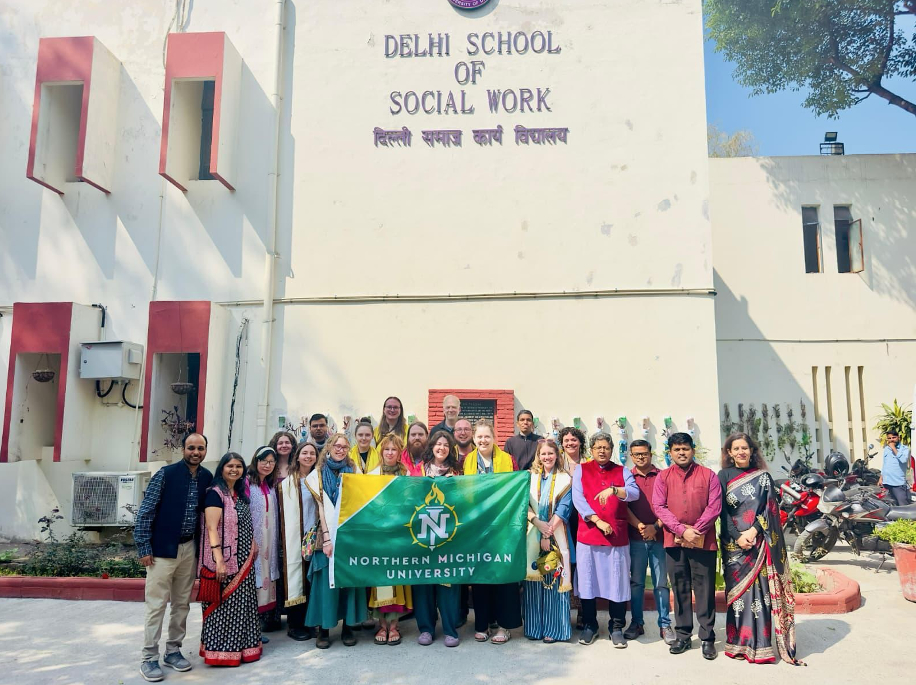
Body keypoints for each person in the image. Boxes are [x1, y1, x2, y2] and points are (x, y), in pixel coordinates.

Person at [135, 432, 213, 682]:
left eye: (200, 448)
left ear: (205, 451)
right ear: (183, 449)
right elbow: (145, 512)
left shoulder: (206, 478)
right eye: (191, 447)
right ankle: (149, 657)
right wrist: (144, 547)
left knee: (181, 604)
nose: (195, 452)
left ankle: (173, 651)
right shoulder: (165, 475)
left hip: (189, 548)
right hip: (161, 551)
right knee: (156, 605)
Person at [719, 433, 802, 665]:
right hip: (733, 547)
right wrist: (737, 537)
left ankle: (762, 646)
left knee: (761, 595)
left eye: (744, 448)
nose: (741, 452)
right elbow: (722, 512)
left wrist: (753, 531)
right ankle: (738, 643)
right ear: (730, 453)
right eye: (736, 449)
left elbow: (770, 510)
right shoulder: (723, 475)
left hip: (758, 542)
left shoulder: (763, 477)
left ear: (751, 450)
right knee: (737, 596)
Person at [653, 432, 722, 660]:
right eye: (676, 449)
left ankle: (707, 637)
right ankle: (683, 635)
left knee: (704, 589)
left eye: (685, 448)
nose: (681, 452)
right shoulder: (663, 477)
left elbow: (714, 507)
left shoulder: (709, 476)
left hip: (703, 542)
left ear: (693, 450)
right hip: (674, 541)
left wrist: (696, 530)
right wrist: (682, 530)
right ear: (670, 452)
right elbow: (659, 506)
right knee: (679, 588)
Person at [572, 432, 639, 647]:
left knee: (617, 581)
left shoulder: (622, 470)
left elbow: (634, 493)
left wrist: (614, 490)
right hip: (589, 535)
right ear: (591, 450)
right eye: (598, 447)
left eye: (606, 447)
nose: (602, 451)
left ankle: (616, 626)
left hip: (616, 538)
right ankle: (590, 625)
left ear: (611, 450)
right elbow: (578, 499)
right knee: (588, 581)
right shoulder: (581, 470)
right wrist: (597, 521)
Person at [304, 433, 368, 648]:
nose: (340, 450)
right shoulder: (318, 474)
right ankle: (324, 628)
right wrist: (327, 538)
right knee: (325, 583)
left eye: (344, 447)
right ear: (329, 447)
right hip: (327, 533)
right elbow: (322, 507)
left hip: (350, 534)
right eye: (337, 446)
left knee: (348, 580)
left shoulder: (355, 471)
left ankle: (348, 627)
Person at [198, 453, 262, 666]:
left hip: (245, 558)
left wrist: (253, 543)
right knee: (223, 604)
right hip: (224, 558)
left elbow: (244, 523)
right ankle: (220, 652)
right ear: (222, 468)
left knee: (243, 604)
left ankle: (244, 648)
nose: (234, 469)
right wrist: (219, 561)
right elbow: (211, 528)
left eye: (239, 466)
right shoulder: (215, 494)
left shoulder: (239, 493)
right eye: (230, 466)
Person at [464, 419, 521, 644]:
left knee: (504, 575)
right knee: (481, 576)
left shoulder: (508, 460)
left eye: (487, 436)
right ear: (474, 439)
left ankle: (504, 626)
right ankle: (482, 623)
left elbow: (517, 489)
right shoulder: (467, 461)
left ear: (495, 438)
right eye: (479, 437)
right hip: (477, 528)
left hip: (503, 526)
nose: (483, 440)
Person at [412, 430, 463, 647]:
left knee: (448, 584)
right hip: (422, 535)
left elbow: (466, 502)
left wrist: (455, 487)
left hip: (448, 536)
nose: (441, 447)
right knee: (423, 583)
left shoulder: (457, 472)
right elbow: (408, 496)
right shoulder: (418, 470)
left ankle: (450, 629)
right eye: (438, 444)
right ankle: (426, 628)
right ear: (431, 446)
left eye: (445, 445)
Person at [624, 439, 675, 645]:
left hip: (659, 537)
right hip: (636, 538)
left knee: (661, 583)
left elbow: (671, 505)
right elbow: (623, 507)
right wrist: (640, 527)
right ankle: (637, 623)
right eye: (636, 454)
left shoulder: (663, 475)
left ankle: (664, 624)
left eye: (644, 453)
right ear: (631, 456)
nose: (640, 457)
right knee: (635, 583)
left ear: (651, 454)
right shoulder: (627, 476)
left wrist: (656, 526)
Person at [523, 439, 573, 643]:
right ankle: (534, 628)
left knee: (553, 579)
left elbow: (565, 507)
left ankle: (554, 629)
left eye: (550, 454)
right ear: (538, 456)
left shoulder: (565, 479)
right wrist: (536, 521)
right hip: (532, 533)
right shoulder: (529, 477)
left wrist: (547, 532)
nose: (547, 457)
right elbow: (522, 504)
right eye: (543, 454)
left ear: (557, 455)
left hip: (556, 534)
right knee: (534, 580)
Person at [366, 433, 413, 645]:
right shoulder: (372, 475)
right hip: (378, 534)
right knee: (381, 579)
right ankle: (381, 624)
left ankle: (394, 625)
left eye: (394, 449)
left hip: (400, 533)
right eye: (386, 449)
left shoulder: (406, 474)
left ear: (399, 452)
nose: (390, 453)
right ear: (381, 452)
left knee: (397, 578)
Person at [277, 441, 319, 641]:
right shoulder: (287, 483)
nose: (308, 456)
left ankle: (310, 622)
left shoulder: (317, 479)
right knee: (296, 579)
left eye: (312, 453)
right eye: (305, 453)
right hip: (296, 537)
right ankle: (295, 625)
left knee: (311, 581)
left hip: (314, 536)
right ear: (298, 456)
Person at [246, 446, 281, 637]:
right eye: (263, 461)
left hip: (269, 542)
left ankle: (255, 631)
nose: (267, 465)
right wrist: (249, 539)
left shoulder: (269, 484)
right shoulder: (246, 483)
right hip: (253, 541)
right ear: (256, 461)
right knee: (252, 582)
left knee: (264, 582)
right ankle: (249, 631)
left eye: (271, 462)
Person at [558, 425, 589, 629]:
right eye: (566, 440)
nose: (570, 443)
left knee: (582, 566)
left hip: (583, 520)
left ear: (580, 443)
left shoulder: (588, 464)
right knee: (564, 563)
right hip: (561, 520)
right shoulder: (557, 463)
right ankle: (562, 612)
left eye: (574, 440)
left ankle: (582, 612)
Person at [881, 429, 912, 506]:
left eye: (894, 437)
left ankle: (905, 519)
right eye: (889, 438)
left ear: (899, 438)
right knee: (890, 505)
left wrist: (894, 448)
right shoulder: (886, 449)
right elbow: (885, 464)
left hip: (898, 483)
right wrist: (881, 478)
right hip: (887, 482)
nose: (891, 440)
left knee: (903, 506)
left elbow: (904, 460)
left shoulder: (904, 448)